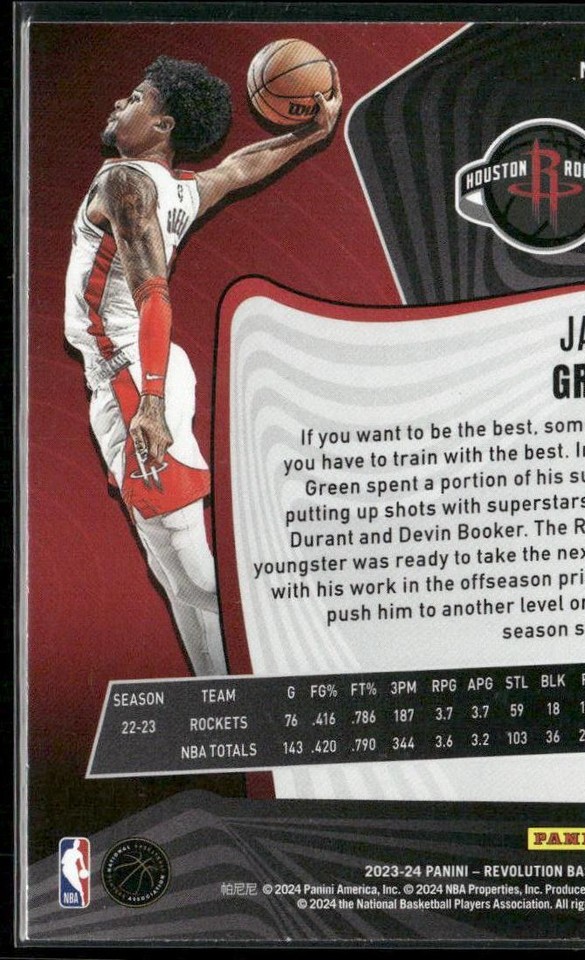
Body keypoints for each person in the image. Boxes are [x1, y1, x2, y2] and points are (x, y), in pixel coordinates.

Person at [64, 56, 342, 676]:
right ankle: (216, 694)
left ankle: (321, 630)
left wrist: (152, 404)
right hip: (136, 374)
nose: (119, 104)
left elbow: (153, 295)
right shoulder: (177, 190)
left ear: (163, 126)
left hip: (135, 377)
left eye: (135, 98)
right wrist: (310, 135)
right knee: (170, 571)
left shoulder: (126, 183)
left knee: (189, 569)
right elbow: (240, 168)